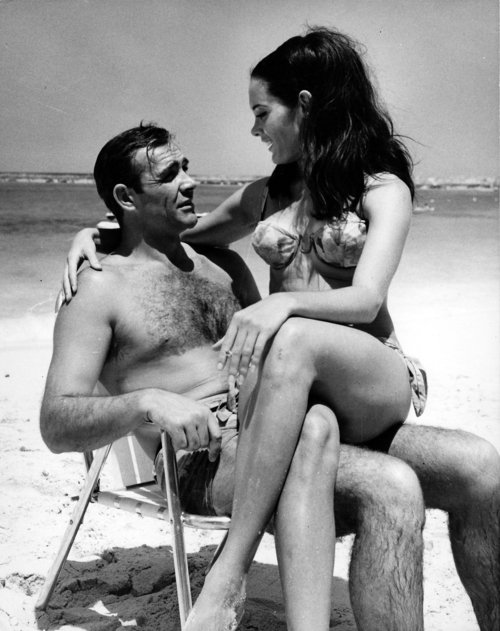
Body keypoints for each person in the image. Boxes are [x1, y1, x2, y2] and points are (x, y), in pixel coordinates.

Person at [60, 28, 500, 631]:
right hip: (298, 402)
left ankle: (230, 568)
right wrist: (98, 232)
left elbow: (368, 299)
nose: (254, 128)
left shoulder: (380, 188)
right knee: (478, 467)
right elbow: (174, 234)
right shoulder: (264, 197)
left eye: (262, 112)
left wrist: (281, 306)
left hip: (366, 377)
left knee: (291, 339)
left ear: (305, 106)